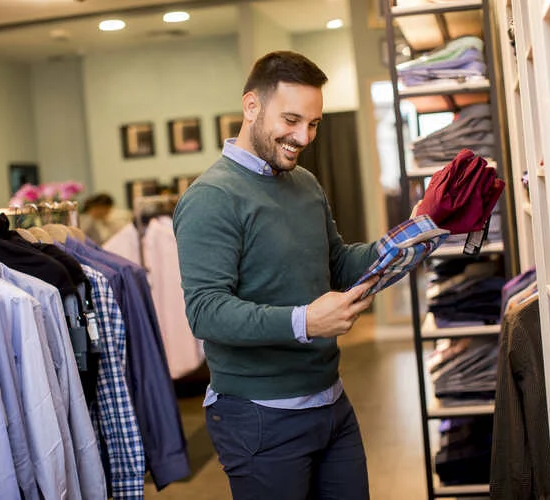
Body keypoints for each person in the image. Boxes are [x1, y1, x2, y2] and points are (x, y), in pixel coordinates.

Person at [173, 50, 381, 500]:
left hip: (331, 403)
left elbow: (339, 265)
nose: (303, 136)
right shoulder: (211, 197)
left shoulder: (305, 183)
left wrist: (409, 238)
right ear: (252, 107)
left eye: (313, 123)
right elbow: (206, 312)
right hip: (260, 417)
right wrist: (305, 322)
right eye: (291, 119)